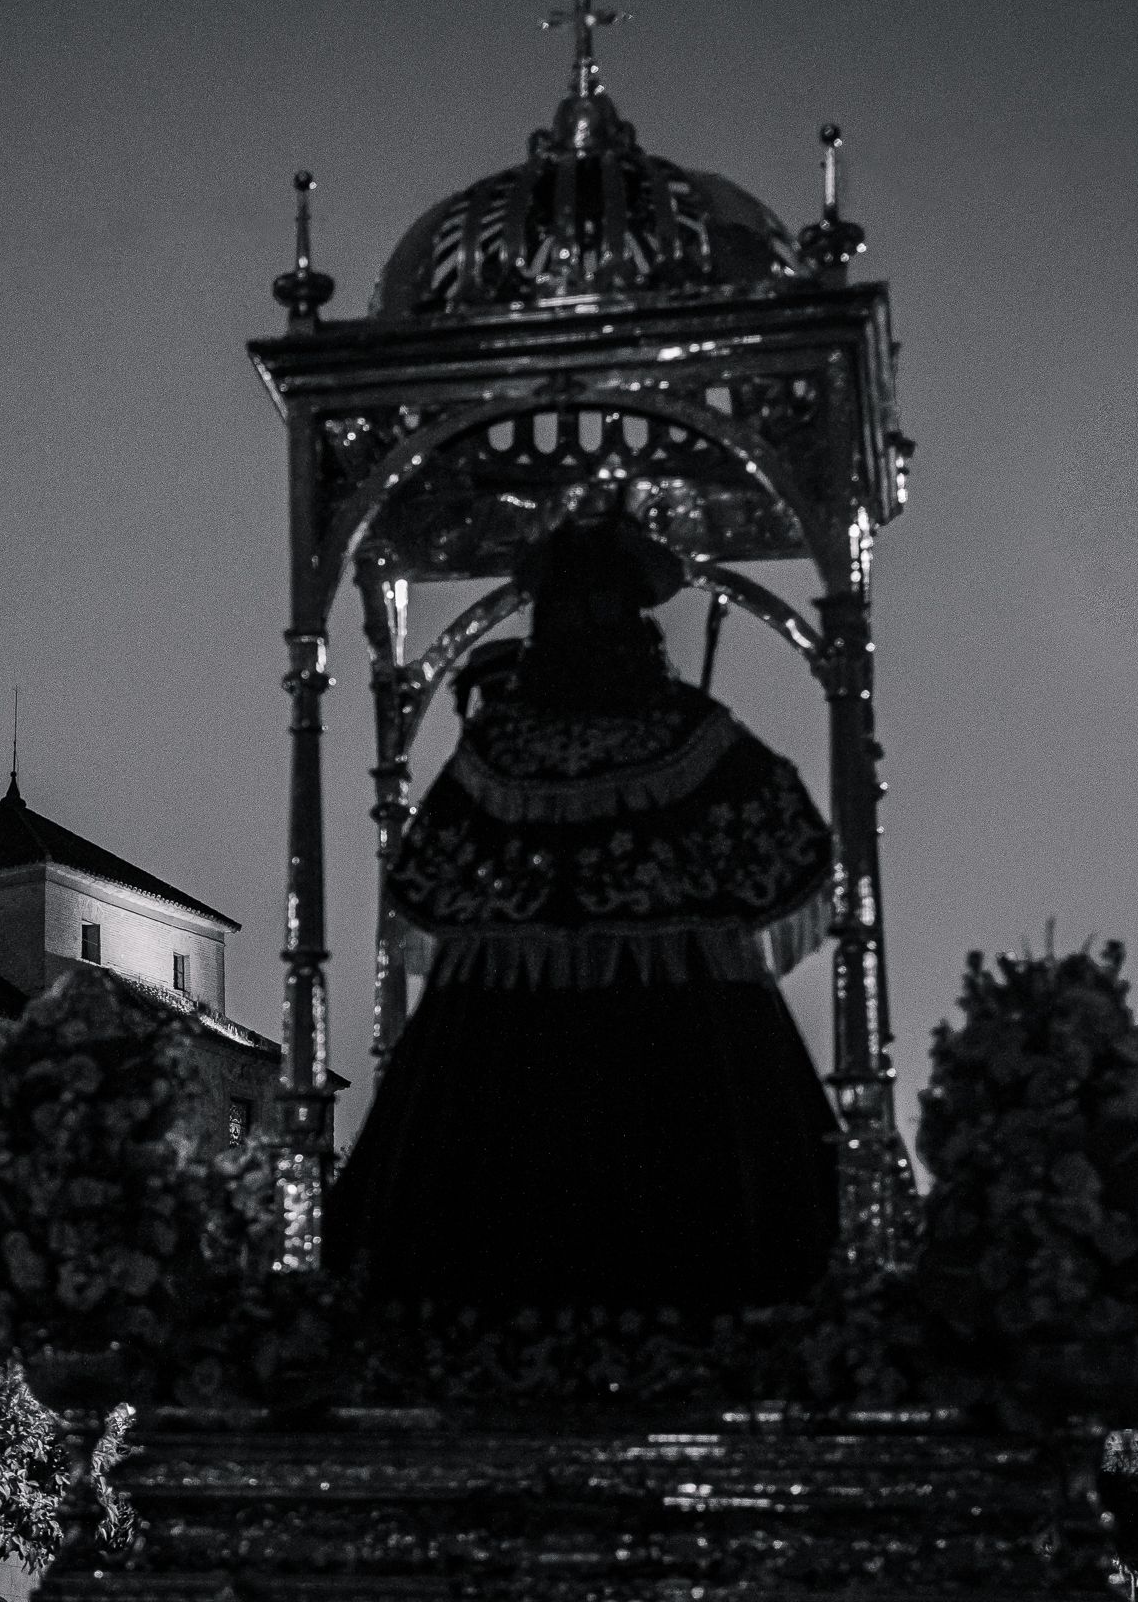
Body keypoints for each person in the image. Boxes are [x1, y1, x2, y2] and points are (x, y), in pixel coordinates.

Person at [325, 520, 841, 1318]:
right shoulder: (688, 732)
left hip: (502, 1036)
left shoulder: (501, 750)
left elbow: (425, 882)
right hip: (681, 1025)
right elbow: (791, 845)